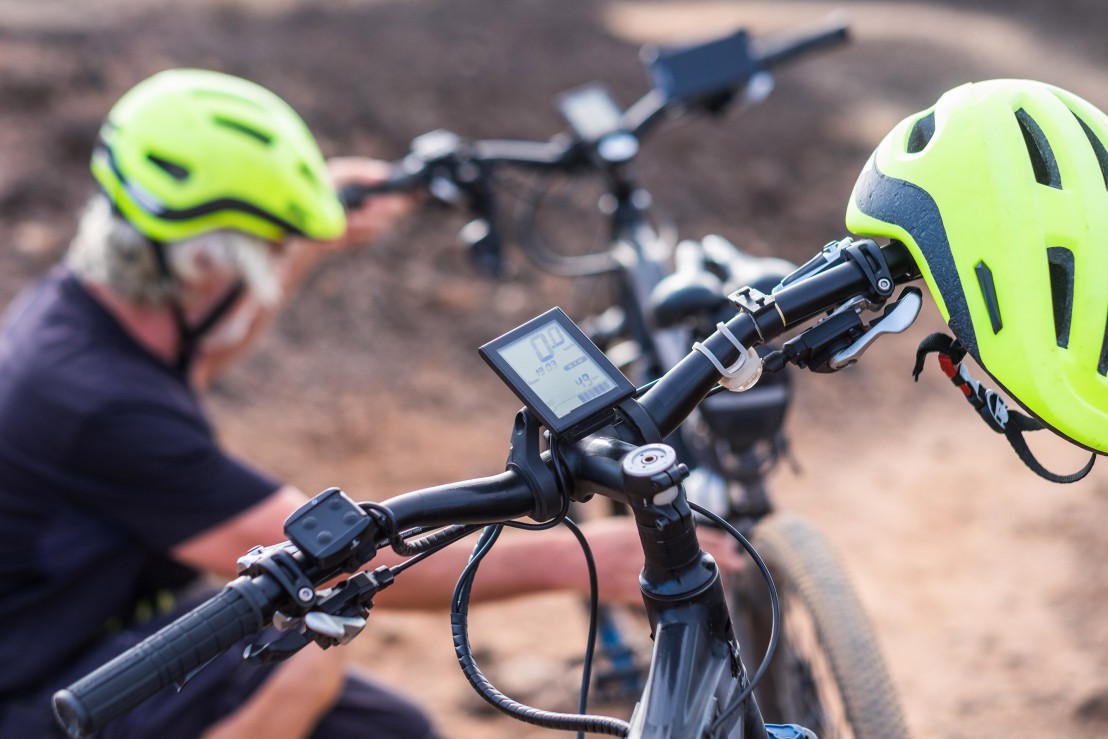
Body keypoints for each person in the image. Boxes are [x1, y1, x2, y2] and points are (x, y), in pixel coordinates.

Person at [0, 69, 742, 738]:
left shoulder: (88, 316)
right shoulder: (100, 406)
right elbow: (322, 558)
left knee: (391, 730)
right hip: (49, 695)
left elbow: (205, 343)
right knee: (303, 663)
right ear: (201, 267)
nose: (271, 278)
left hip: (81, 634)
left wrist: (305, 242)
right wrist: (576, 560)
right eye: (263, 255)